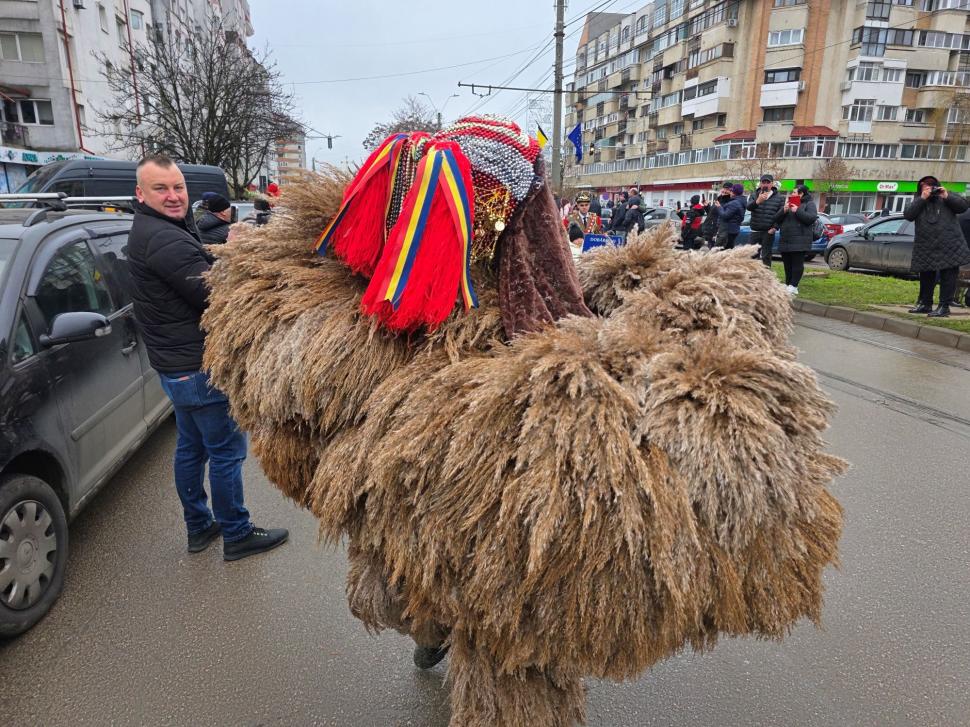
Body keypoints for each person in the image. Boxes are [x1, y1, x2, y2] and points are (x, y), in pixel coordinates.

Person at [127, 154, 289, 560]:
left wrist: (220, 250)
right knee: (226, 452)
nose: (173, 196)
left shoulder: (160, 229)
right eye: (160, 189)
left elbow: (195, 268)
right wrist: (235, 256)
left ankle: (199, 526)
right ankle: (236, 534)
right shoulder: (162, 238)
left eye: (177, 187)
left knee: (192, 448)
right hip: (198, 369)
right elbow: (209, 294)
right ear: (140, 194)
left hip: (177, 368)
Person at [903, 175, 970, 317]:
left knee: (948, 276)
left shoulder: (946, 196)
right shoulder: (918, 200)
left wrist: (946, 195)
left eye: (931, 186)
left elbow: (963, 207)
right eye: (925, 186)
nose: (929, 189)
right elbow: (908, 215)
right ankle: (925, 304)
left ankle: (944, 307)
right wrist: (922, 198)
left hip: (950, 245)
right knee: (926, 275)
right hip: (926, 246)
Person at [772, 183, 818, 296]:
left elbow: (810, 218)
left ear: (801, 194)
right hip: (786, 239)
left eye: (794, 192)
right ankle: (788, 285)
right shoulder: (788, 203)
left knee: (797, 264)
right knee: (787, 264)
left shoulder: (809, 204)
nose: (791, 194)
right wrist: (784, 209)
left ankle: (794, 285)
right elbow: (776, 219)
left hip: (800, 239)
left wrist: (797, 210)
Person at [747, 174, 785, 266]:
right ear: (760, 184)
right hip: (755, 230)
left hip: (768, 232)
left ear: (772, 184)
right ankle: (752, 277)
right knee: (752, 255)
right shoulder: (754, 194)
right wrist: (757, 201)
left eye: (768, 182)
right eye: (763, 182)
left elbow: (782, 215)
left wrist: (775, 228)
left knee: (766, 256)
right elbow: (748, 207)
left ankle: (766, 277)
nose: (765, 184)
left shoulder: (779, 198)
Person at [718, 183, 747, 249]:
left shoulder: (735, 203)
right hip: (734, 229)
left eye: (731, 191)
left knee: (725, 250)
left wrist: (719, 207)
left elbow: (725, 215)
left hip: (729, 229)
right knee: (729, 248)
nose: (730, 193)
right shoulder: (740, 201)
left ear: (734, 193)